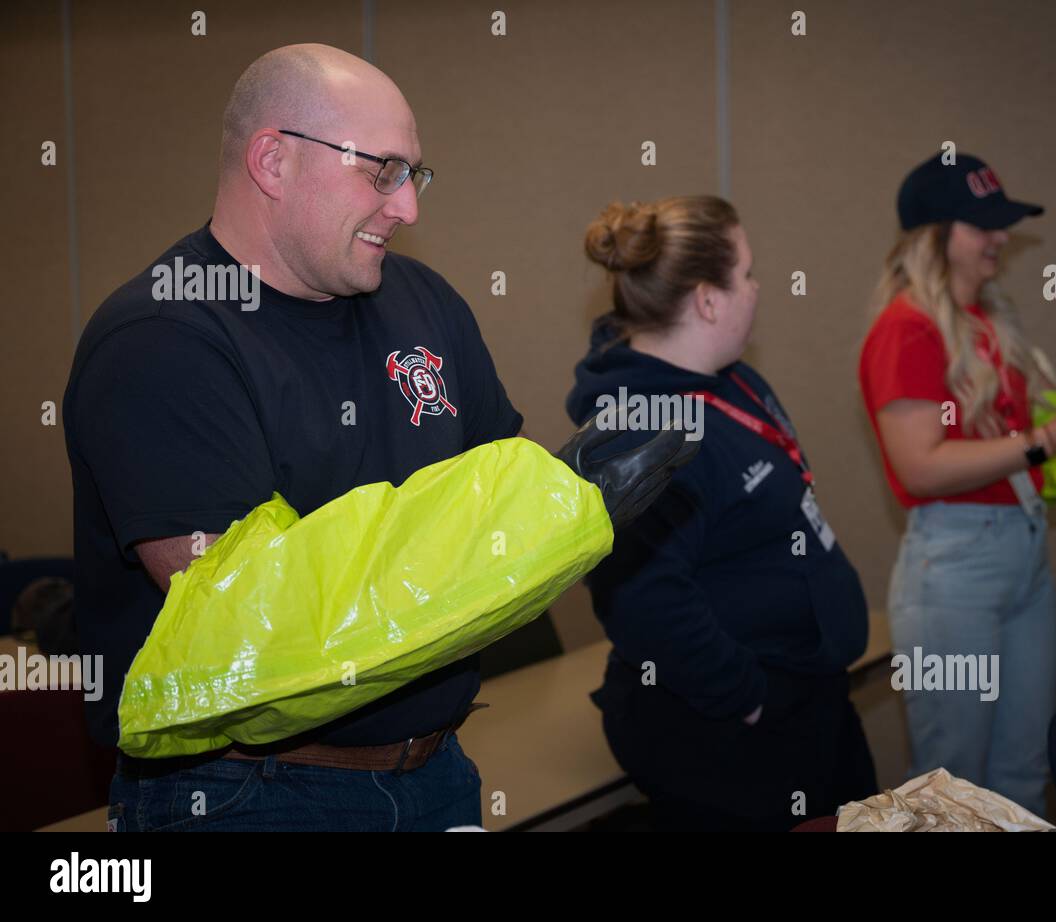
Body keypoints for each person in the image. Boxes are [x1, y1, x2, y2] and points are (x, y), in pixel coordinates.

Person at [62, 43, 691, 832]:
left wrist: (558, 497)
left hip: (437, 766)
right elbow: (254, 630)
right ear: (273, 160)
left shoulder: (422, 300)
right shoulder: (163, 340)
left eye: (415, 175)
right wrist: (548, 517)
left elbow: (482, 497)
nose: (408, 207)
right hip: (248, 796)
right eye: (381, 171)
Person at [567, 195, 878, 831]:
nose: (759, 290)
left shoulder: (729, 379)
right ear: (709, 299)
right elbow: (640, 601)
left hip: (808, 698)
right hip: (733, 729)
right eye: (748, 274)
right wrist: (746, 698)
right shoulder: (640, 432)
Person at [858, 152, 1056, 817]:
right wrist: (1047, 442)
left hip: (1020, 554)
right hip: (956, 567)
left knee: (1022, 777)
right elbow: (920, 467)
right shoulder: (905, 330)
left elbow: (999, 453)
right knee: (951, 791)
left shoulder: (988, 325)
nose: (1000, 238)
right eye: (983, 225)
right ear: (933, 236)